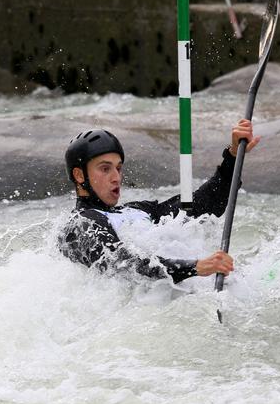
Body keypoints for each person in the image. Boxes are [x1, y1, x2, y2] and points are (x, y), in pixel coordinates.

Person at [58, 120, 260, 283]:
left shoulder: (138, 211)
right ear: (79, 175)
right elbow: (122, 264)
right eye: (105, 168)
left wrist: (232, 155)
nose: (116, 177)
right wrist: (196, 267)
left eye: (118, 168)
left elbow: (202, 205)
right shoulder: (79, 225)